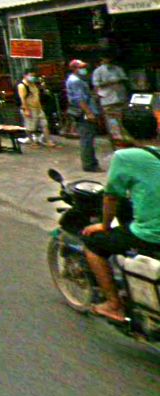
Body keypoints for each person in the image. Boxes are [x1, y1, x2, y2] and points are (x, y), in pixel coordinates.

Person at [82, 119, 160, 322]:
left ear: (125, 132)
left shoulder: (126, 157)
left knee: (93, 244)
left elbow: (111, 197)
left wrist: (104, 225)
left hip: (152, 234)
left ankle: (113, 305)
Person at [66, 59, 103, 173]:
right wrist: (89, 113)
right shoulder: (75, 81)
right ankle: (89, 164)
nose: (83, 70)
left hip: (84, 111)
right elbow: (80, 99)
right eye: (80, 68)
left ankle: (91, 162)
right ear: (74, 69)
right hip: (83, 113)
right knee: (87, 139)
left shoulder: (78, 80)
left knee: (88, 138)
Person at [92, 52, 129, 147]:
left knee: (119, 118)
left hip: (119, 97)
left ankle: (122, 138)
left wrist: (118, 80)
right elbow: (96, 84)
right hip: (107, 98)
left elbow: (125, 78)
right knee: (111, 119)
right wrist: (109, 82)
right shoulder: (98, 71)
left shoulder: (118, 69)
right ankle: (115, 139)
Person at [17, 69, 56, 147]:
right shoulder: (22, 86)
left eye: (34, 76)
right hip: (29, 108)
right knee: (30, 127)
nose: (33, 77)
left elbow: (37, 96)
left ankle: (48, 141)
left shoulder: (33, 84)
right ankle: (32, 142)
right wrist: (26, 110)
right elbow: (22, 99)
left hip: (38, 108)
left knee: (44, 124)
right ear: (25, 75)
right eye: (31, 75)